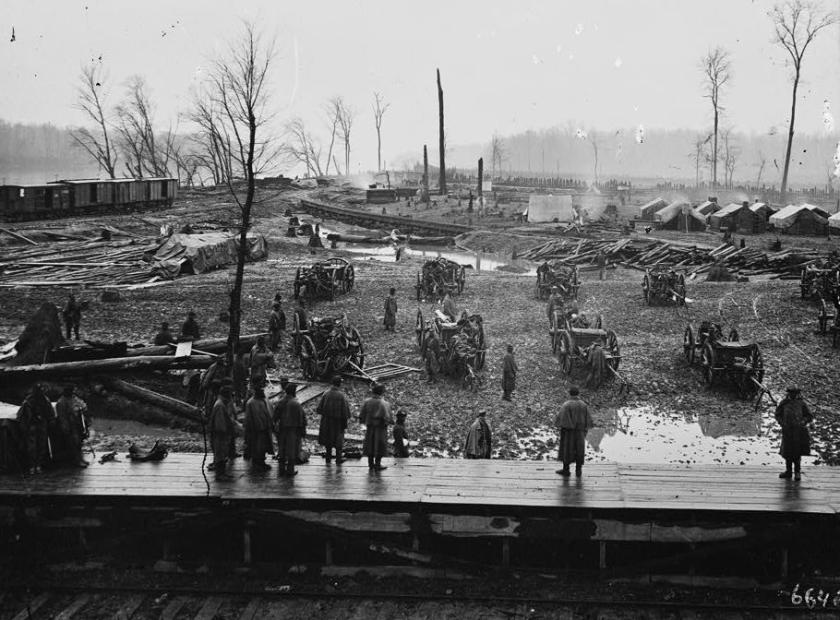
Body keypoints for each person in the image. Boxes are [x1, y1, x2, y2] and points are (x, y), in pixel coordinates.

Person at [774, 386, 813, 481]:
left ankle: (797, 472)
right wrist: (782, 422)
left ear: (798, 394)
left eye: (795, 393)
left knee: (797, 452)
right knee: (787, 452)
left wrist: (803, 421)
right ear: (788, 393)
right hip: (787, 431)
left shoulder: (802, 403)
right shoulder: (784, 403)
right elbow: (777, 414)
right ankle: (788, 471)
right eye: (791, 393)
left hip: (799, 431)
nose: (793, 395)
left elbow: (809, 416)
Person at [555, 386, 594, 477]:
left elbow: (561, 418)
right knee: (579, 449)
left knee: (567, 449)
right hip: (580, 431)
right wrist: (585, 429)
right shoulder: (583, 405)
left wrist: (562, 426)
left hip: (568, 431)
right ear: (578, 394)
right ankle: (578, 470)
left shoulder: (566, 405)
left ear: (569, 394)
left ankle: (566, 470)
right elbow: (588, 419)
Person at [17, 384, 55, 474]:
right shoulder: (28, 401)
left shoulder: (45, 400)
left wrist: (50, 421)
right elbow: (21, 415)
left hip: (42, 425)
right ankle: (32, 465)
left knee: (41, 445)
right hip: (32, 426)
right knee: (32, 447)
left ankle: (38, 465)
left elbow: (50, 413)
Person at [317, 375, 352, 464]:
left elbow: (319, 409)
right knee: (338, 441)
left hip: (326, 421)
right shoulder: (341, 396)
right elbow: (345, 411)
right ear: (339, 384)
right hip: (338, 422)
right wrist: (345, 421)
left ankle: (328, 458)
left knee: (328, 440)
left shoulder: (326, 393)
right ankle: (338, 458)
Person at [54, 385, 91, 468]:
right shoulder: (61, 402)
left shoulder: (74, 398)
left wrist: (82, 408)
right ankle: (76, 460)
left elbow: (83, 405)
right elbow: (62, 417)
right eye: (72, 391)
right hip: (70, 425)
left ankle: (81, 458)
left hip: (78, 424)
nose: (73, 392)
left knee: (79, 442)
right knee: (73, 443)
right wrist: (66, 428)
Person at [359, 383, 393, 471]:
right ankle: (377, 464)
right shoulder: (384, 403)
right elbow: (388, 417)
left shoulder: (367, 402)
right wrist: (388, 422)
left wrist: (363, 422)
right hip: (380, 428)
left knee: (370, 445)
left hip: (370, 427)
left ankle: (370, 464)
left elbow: (362, 414)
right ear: (382, 392)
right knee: (380, 445)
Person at [276, 383, 306, 477]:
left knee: (282, 450)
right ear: (294, 392)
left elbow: (275, 416)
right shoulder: (296, 403)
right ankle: (290, 470)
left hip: (282, 429)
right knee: (292, 450)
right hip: (293, 430)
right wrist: (303, 430)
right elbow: (302, 418)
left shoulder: (280, 402)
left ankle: (281, 470)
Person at [208, 383, 237, 476]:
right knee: (220, 455)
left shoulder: (221, 403)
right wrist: (227, 432)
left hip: (220, 434)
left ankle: (222, 473)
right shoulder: (220, 405)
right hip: (219, 435)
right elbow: (220, 424)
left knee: (222, 454)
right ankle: (220, 475)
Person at [244, 387, 274, 471]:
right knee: (256, 447)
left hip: (265, 428)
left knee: (263, 447)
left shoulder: (264, 400)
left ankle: (261, 462)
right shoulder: (250, 403)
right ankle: (256, 463)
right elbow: (248, 418)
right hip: (255, 430)